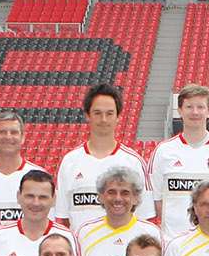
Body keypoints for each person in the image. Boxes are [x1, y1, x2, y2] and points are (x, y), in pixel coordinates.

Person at [150, 83, 209, 239]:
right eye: (189, 107)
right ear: (179, 110)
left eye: (200, 107)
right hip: (174, 242)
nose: (195, 112)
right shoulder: (163, 150)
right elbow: (157, 201)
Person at [56, 83, 154, 223]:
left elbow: (146, 218)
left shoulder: (133, 162)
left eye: (109, 113)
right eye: (97, 113)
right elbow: (63, 218)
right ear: (87, 115)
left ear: (118, 116)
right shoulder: (70, 161)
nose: (103, 120)